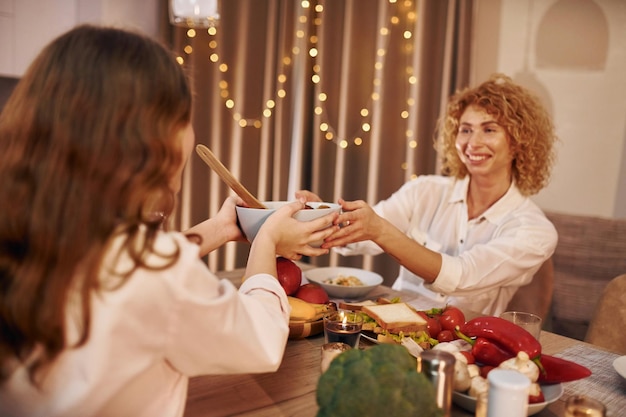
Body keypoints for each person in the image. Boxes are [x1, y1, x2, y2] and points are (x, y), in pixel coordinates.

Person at [0, 25, 338, 417]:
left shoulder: (26, 234)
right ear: (148, 139)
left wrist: (220, 228)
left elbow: (134, 261)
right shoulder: (152, 275)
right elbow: (258, 341)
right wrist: (266, 239)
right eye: (183, 117)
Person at [297, 73, 558, 316]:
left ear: (518, 142)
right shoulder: (425, 191)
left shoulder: (534, 231)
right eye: (465, 130)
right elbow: (359, 238)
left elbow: (461, 276)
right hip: (394, 327)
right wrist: (323, 215)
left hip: (465, 346)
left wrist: (380, 230)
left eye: (489, 130)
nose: (472, 143)